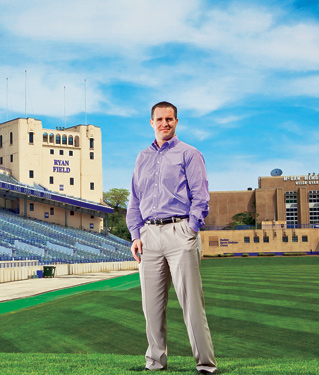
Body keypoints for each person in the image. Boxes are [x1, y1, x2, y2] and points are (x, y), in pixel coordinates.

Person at [126, 101, 217, 374]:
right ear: (151, 122)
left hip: (180, 232)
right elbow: (135, 200)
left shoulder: (190, 154)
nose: (165, 123)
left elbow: (201, 196)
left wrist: (191, 229)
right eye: (160, 119)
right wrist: (135, 234)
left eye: (170, 119)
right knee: (151, 308)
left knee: (192, 305)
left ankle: (205, 365)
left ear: (176, 122)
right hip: (148, 236)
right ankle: (155, 362)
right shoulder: (142, 157)